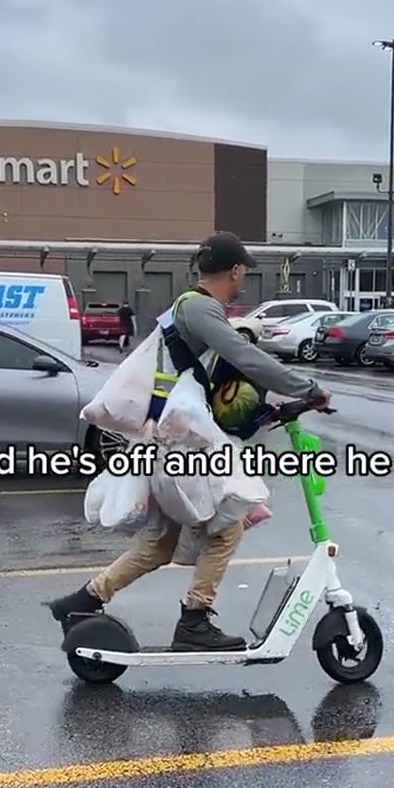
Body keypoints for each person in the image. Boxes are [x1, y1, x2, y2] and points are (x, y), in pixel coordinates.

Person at [49, 232, 332, 650]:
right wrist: (306, 387)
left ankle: (82, 601)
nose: (243, 279)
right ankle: (194, 621)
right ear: (235, 271)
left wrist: (273, 411)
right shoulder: (199, 308)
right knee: (227, 527)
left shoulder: (185, 309)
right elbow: (244, 356)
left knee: (160, 545)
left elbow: (213, 388)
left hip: (166, 443)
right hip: (179, 449)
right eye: (243, 272)